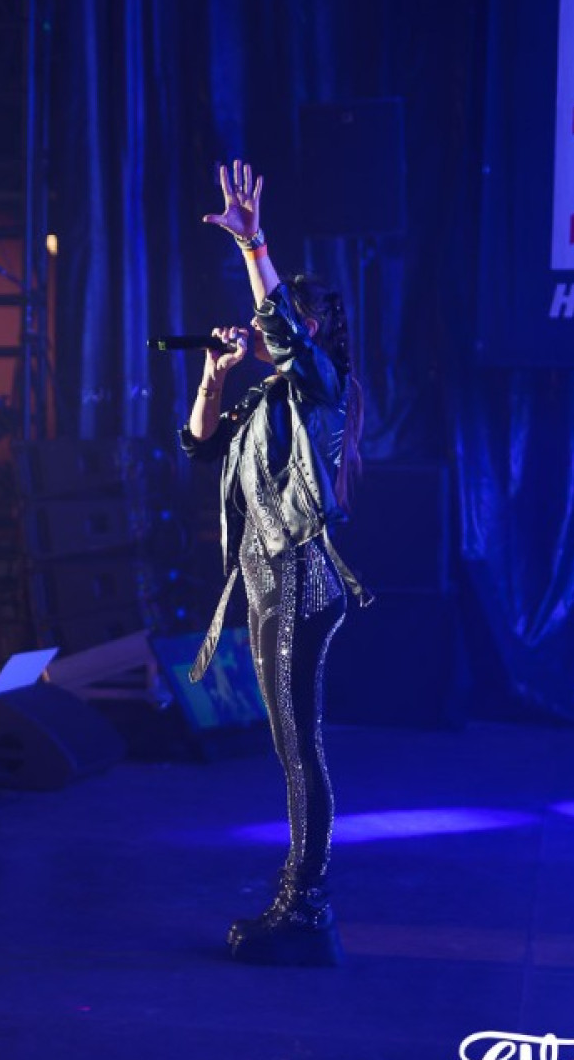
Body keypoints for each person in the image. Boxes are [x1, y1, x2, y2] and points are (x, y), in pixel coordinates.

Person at [186, 159, 369, 967]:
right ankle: (301, 901)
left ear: (314, 326)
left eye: (291, 315)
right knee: (289, 750)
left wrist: (253, 245)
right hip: (265, 586)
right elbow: (199, 447)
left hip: (300, 581)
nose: (268, 324)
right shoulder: (265, 400)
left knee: (301, 751)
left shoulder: (324, 387)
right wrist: (212, 378)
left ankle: (306, 906)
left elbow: (285, 333)